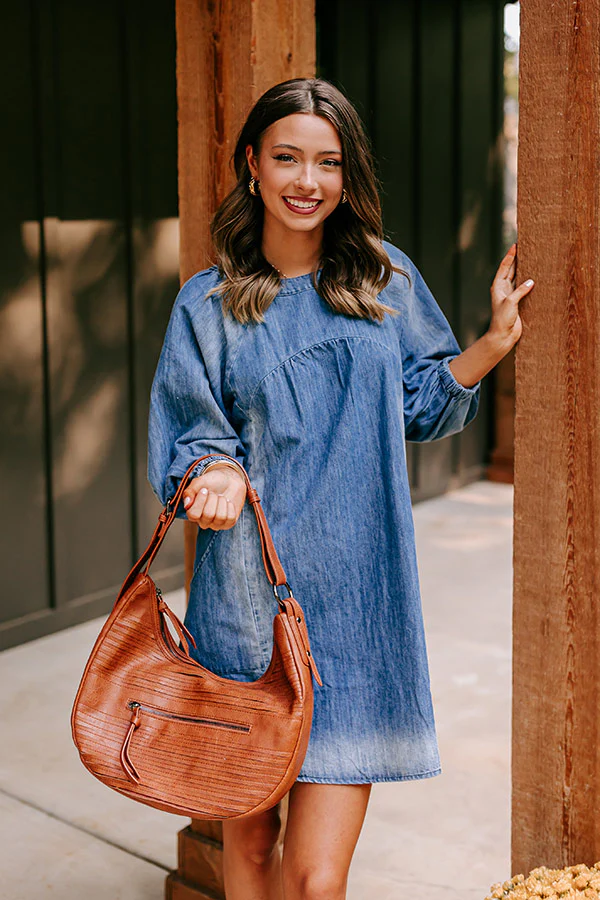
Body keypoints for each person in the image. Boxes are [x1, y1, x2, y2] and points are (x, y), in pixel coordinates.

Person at [147, 77, 533, 900]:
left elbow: (422, 403)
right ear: (253, 164)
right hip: (246, 611)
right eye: (287, 157)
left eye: (328, 162)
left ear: (347, 175)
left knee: (317, 880)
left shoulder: (385, 280)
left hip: (362, 606)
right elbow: (193, 437)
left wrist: (492, 345)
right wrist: (210, 471)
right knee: (249, 851)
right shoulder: (207, 306)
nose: (307, 181)